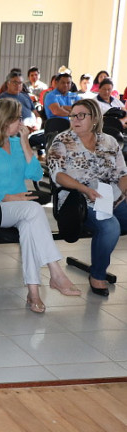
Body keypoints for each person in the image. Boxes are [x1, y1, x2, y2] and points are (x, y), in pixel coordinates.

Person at [0, 98, 79, 313]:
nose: (21, 122)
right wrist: (10, 198)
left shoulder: (17, 144)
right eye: (17, 118)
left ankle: (34, 293)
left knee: (31, 225)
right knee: (33, 209)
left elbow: (36, 174)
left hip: (20, 208)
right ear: (4, 120)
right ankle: (55, 271)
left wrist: (25, 143)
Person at [48, 99, 127, 297]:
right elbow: (57, 175)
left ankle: (102, 245)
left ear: (94, 119)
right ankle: (97, 275)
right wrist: (84, 189)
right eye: (73, 115)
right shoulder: (62, 141)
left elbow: (122, 174)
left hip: (111, 197)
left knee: (112, 221)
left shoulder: (109, 141)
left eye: (81, 115)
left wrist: (121, 191)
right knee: (110, 226)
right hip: (77, 200)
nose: (75, 119)